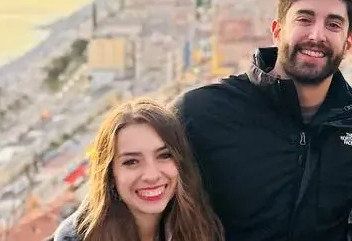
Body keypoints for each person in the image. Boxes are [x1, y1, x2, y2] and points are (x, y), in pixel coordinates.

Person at [173, 0, 352, 241]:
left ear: (348, 43)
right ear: (277, 30)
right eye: (304, 19)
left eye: (333, 24)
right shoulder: (200, 112)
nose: (317, 35)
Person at [52, 98, 224, 241]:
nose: (152, 175)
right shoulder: (77, 237)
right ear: (110, 174)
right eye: (132, 161)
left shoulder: (201, 225)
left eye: (164, 156)